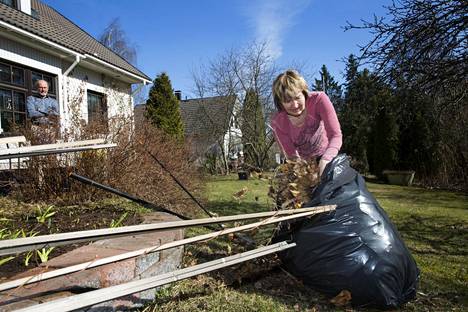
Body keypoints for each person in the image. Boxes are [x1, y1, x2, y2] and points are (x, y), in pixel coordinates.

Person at [271, 70, 342, 175]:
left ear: (304, 93)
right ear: (280, 103)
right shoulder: (278, 123)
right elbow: (291, 155)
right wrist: (303, 171)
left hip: (328, 155)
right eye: (287, 101)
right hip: (304, 165)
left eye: (297, 97)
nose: (295, 105)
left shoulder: (319, 100)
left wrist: (326, 160)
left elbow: (335, 135)